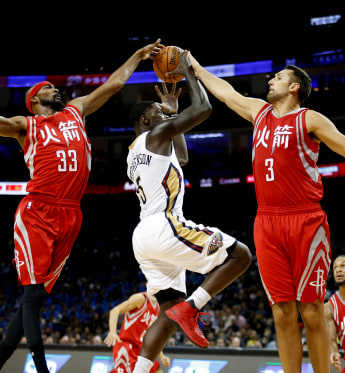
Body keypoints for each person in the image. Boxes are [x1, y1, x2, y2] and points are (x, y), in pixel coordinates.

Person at [0, 39, 163, 373]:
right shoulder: (26, 125)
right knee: (31, 296)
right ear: (34, 101)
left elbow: (114, 84)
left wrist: (138, 55)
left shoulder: (76, 110)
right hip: (37, 212)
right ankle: (42, 369)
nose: (56, 90)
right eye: (49, 88)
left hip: (72, 212)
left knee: (37, 298)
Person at [188, 55, 345, 373]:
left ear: (294, 87)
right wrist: (197, 69)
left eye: (277, 77)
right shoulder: (259, 112)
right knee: (281, 311)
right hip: (266, 221)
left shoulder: (309, 119)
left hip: (305, 220)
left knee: (311, 310)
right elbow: (226, 93)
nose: (270, 81)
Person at [126, 51, 252, 373]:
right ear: (145, 119)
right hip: (163, 226)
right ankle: (194, 308)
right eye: (157, 112)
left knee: (166, 313)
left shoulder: (135, 152)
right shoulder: (153, 135)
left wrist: (171, 115)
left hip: (143, 237)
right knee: (241, 256)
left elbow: (181, 158)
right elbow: (204, 109)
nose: (163, 115)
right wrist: (188, 72)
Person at [105, 290, 170, 373]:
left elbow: (152, 335)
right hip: (126, 346)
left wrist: (161, 356)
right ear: (148, 283)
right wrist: (113, 332)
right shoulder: (140, 299)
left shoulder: (158, 308)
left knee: (157, 370)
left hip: (140, 349)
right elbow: (115, 310)